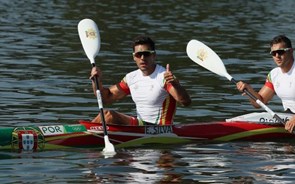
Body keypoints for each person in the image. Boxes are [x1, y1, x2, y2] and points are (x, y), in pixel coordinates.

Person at [89, 35, 191, 126]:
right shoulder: (131, 78)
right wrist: (96, 81)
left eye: (146, 54)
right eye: (138, 55)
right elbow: (106, 98)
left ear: (154, 55)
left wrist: (175, 85)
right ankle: (85, 131)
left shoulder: (164, 77)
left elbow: (185, 102)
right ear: (134, 57)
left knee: (110, 115)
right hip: (140, 127)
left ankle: (84, 133)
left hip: (161, 129)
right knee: (104, 114)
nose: (142, 58)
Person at [236, 35, 295, 132]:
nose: (277, 56)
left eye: (280, 52)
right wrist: (249, 90)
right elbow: (260, 102)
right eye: (273, 53)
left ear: (291, 51)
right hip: (288, 119)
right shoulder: (274, 75)